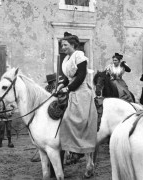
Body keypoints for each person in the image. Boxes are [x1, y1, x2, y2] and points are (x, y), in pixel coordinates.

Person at [56, 32, 97, 163]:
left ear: (73, 44)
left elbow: (80, 76)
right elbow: (69, 78)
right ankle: (71, 149)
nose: (63, 47)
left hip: (82, 91)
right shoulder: (66, 59)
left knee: (74, 119)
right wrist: (61, 84)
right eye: (62, 45)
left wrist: (68, 88)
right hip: (73, 91)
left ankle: (80, 150)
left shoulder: (79, 56)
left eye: (65, 45)